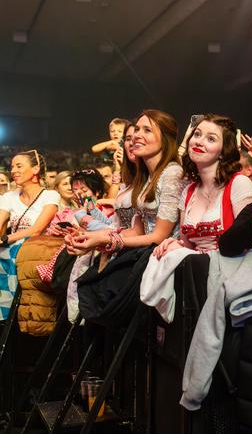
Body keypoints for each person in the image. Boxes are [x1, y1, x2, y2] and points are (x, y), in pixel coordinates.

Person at [67, 110, 183, 254]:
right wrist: (90, 236)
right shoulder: (147, 177)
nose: (137, 135)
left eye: (147, 130)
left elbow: (158, 237)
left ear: (165, 139)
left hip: (161, 255)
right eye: (137, 130)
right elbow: (136, 231)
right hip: (143, 250)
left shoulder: (172, 173)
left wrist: (107, 240)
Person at [152, 115, 252, 257]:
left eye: (211, 139)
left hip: (232, 267)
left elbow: (249, 240)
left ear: (223, 151)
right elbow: (188, 246)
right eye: (197, 134)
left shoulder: (239, 183)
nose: (199, 142)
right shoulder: (188, 193)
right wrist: (175, 245)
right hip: (198, 269)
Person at [0, 150, 60, 320]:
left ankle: (7, 313)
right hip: (12, 251)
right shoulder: (9, 197)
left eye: (19, 166)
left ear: (35, 169)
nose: (13, 171)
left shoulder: (50, 196)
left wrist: (6, 238)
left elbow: (36, 230)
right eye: (12, 167)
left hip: (36, 252)